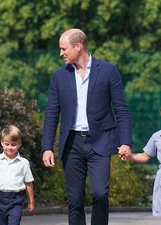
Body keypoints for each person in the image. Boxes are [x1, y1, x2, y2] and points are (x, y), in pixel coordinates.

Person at [41, 28, 133, 225]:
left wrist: (125, 142)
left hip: (100, 142)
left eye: (64, 48)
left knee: (100, 193)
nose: (61, 53)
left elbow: (122, 109)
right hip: (71, 144)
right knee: (75, 200)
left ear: (78, 46)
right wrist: (47, 147)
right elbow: (51, 113)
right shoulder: (59, 76)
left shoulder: (108, 71)